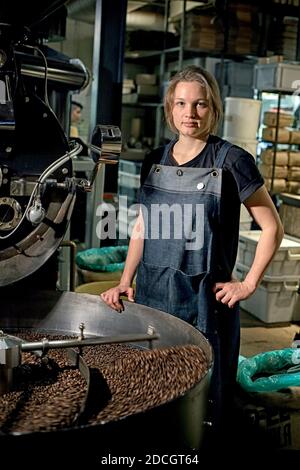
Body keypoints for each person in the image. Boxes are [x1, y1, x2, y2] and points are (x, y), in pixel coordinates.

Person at [100, 65, 284, 447]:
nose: (191, 113)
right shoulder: (155, 159)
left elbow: (273, 227)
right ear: (170, 108)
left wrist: (248, 284)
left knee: (203, 407)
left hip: (205, 306)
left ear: (213, 108)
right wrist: (124, 280)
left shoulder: (231, 161)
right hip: (153, 299)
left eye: (200, 104)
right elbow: (143, 227)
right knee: (153, 398)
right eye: (182, 103)